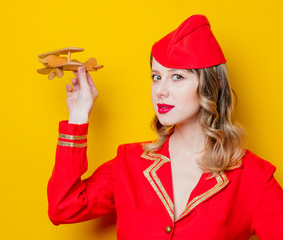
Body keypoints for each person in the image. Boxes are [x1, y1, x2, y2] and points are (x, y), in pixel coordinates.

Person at [47, 15, 283, 239]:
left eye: (177, 77)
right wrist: (78, 117)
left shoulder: (254, 179)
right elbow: (63, 207)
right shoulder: (128, 163)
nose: (160, 90)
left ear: (213, 85)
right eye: (156, 77)